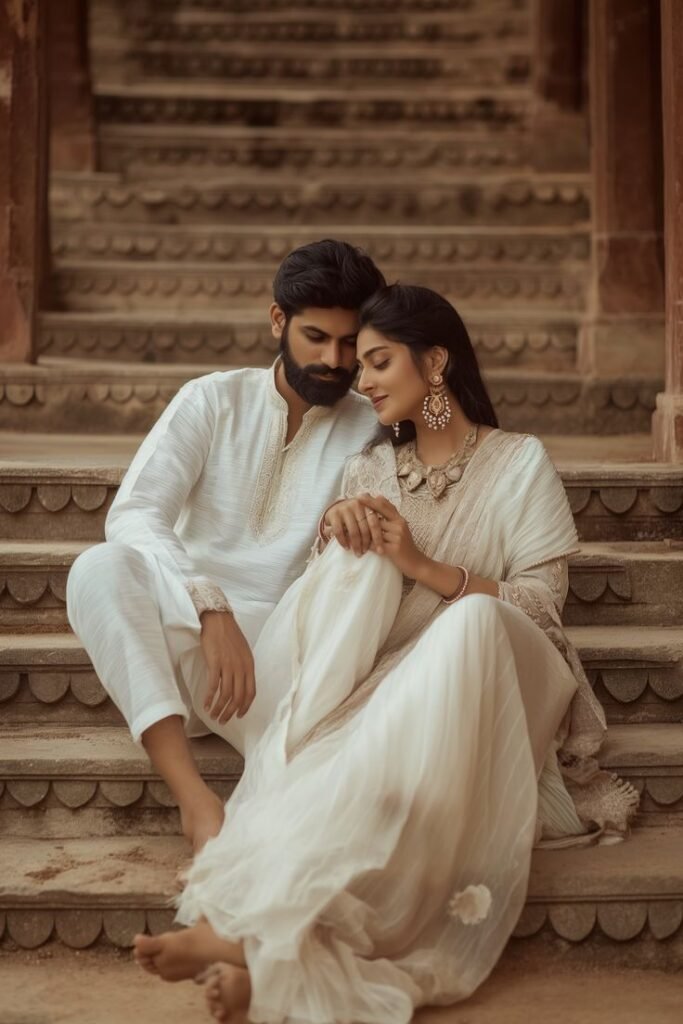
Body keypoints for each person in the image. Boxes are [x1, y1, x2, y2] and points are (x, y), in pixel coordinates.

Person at [132, 284, 639, 1023]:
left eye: (377, 362)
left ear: (433, 362)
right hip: (391, 685)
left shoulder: (519, 461)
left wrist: (428, 567)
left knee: (468, 623)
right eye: (359, 364)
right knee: (352, 570)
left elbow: (542, 605)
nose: (360, 380)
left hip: (506, 670)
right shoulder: (368, 472)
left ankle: (252, 940)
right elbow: (334, 607)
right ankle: (265, 960)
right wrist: (336, 535)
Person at [66, 239, 386, 853]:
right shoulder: (212, 398)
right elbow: (135, 512)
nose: (334, 359)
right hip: (184, 632)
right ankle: (197, 802)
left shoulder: (371, 424)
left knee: (332, 780)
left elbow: (451, 415)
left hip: (275, 661)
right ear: (277, 321)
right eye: (316, 337)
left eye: (350, 343)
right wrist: (210, 606)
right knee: (98, 568)